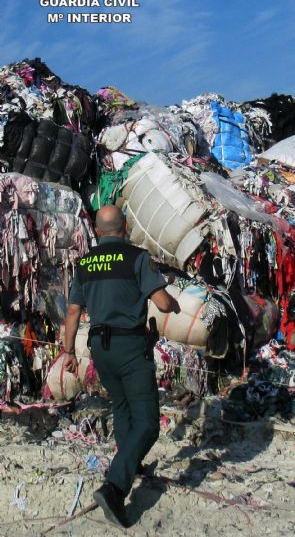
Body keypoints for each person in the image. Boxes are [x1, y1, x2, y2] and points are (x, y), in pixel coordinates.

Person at [62, 205, 180, 527]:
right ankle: (114, 488)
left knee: (123, 405)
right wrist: (174, 303)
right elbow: (162, 302)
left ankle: (131, 462)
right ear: (125, 227)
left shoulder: (85, 263)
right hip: (130, 346)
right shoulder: (137, 257)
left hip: (100, 348)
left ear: (98, 231)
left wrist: (69, 352)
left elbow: (72, 313)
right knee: (148, 421)